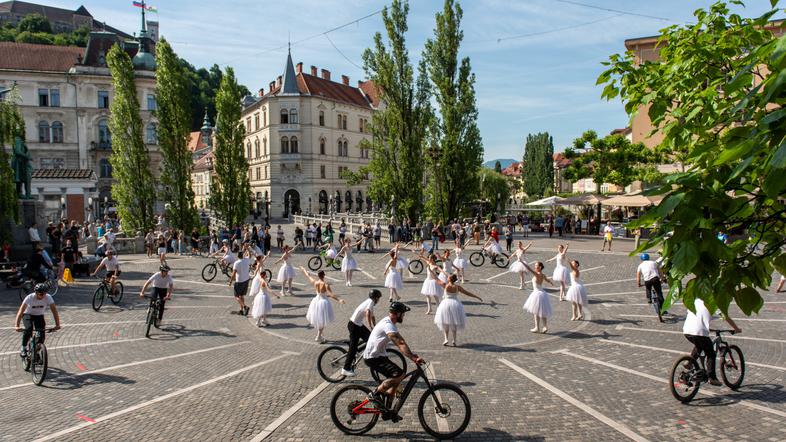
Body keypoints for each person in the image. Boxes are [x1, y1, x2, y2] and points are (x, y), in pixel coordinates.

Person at [363, 302, 424, 422]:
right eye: (403, 314)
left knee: (398, 376)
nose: (404, 316)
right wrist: (413, 358)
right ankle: (375, 394)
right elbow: (399, 343)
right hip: (373, 357)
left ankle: (389, 411)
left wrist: (412, 354)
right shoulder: (388, 325)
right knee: (399, 375)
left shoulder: (390, 323)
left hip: (379, 355)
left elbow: (401, 340)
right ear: (398, 314)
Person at [683, 297, 741, 386]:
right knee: (711, 353)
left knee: (700, 344)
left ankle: (689, 361)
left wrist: (707, 328)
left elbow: (697, 317)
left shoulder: (696, 300)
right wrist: (736, 328)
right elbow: (725, 317)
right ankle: (712, 378)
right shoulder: (713, 302)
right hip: (699, 331)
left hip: (687, 330)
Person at [433, 274, 483, 346]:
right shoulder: (457, 287)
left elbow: (436, 279)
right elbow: (467, 293)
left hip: (445, 305)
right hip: (455, 305)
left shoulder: (445, 285)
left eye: (448, 277)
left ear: (449, 279)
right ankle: (454, 340)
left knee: (445, 322)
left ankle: (446, 339)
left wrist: (430, 270)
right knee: (454, 323)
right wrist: (477, 297)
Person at [342, 289, 382, 377]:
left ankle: (355, 348)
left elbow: (372, 316)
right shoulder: (371, 302)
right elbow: (368, 314)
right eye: (378, 299)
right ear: (375, 298)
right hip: (354, 326)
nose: (378, 301)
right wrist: (370, 326)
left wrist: (375, 327)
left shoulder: (369, 302)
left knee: (370, 338)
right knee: (354, 347)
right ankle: (346, 368)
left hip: (357, 325)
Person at [15, 283, 61, 357]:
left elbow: (54, 311)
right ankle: (23, 348)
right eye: (40, 294)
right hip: (27, 314)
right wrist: (17, 325)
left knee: (41, 334)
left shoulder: (48, 297)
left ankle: (37, 350)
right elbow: (20, 311)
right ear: (36, 293)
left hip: (39, 316)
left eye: (44, 294)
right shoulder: (29, 297)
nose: (42, 296)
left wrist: (57, 324)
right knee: (28, 329)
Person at [300, 267, 345, 342]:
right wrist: (339, 300)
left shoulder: (315, 282)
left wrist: (303, 270)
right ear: (324, 275)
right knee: (322, 320)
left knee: (320, 319)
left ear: (318, 276)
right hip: (323, 302)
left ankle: (320, 335)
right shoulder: (325, 284)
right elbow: (331, 294)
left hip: (316, 301)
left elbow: (308, 276)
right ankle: (318, 336)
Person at [521, 261, 554, 333]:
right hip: (542, 293)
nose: (535, 266)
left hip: (537, 294)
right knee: (542, 311)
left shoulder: (537, 274)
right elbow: (547, 280)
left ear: (540, 267)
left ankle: (537, 327)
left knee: (536, 312)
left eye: (536, 265)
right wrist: (551, 282)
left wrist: (521, 262)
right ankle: (545, 326)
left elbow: (529, 269)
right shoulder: (542, 275)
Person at [636, 253, 666, 322]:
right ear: (648, 258)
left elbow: (638, 276)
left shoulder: (640, 265)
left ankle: (649, 299)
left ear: (641, 259)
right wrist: (662, 278)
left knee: (648, 288)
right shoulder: (654, 262)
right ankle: (663, 308)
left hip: (647, 280)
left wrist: (639, 284)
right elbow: (660, 271)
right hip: (655, 279)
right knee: (659, 293)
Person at [250, 256, 278, 327]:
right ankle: (259, 321)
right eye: (266, 275)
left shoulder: (260, 278)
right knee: (262, 309)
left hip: (261, 295)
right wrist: (275, 295)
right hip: (263, 296)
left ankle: (264, 320)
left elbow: (258, 274)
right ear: (264, 275)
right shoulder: (264, 282)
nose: (267, 276)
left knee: (263, 309)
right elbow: (268, 290)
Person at [228, 249, 251, 316]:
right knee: (241, 295)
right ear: (243, 255)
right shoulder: (246, 260)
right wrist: (248, 250)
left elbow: (233, 273)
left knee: (236, 296)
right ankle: (241, 310)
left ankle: (245, 307)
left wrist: (230, 281)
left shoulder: (236, 263)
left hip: (239, 281)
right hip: (246, 280)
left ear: (238, 256)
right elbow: (249, 255)